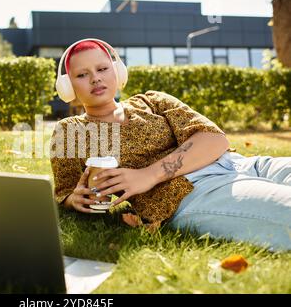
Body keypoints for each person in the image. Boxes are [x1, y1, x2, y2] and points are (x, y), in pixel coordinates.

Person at [49, 38, 291, 252]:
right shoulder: (69, 131)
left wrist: (149, 175)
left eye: (102, 68)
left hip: (244, 165)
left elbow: (214, 139)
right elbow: (66, 191)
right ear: (68, 86)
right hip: (193, 195)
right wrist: (75, 200)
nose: (96, 78)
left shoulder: (152, 100)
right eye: (82, 75)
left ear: (117, 72)